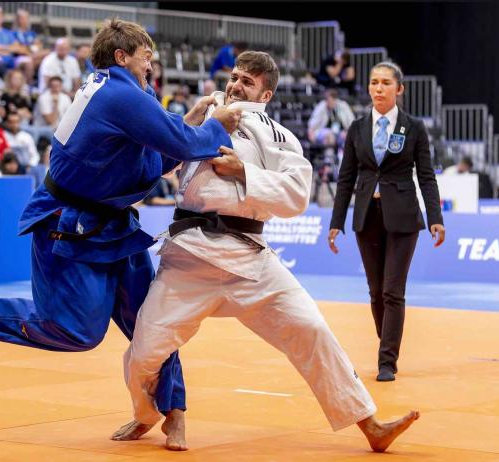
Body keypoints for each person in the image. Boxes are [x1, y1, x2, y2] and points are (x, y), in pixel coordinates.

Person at [120, 50, 419, 453]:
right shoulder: (202, 120)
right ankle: (146, 413)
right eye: (235, 77)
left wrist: (244, 172)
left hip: (250, 257)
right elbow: (158, 166)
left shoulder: (279, 135)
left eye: (247, 81)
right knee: (145, 350)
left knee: (312, 330)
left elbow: (297, 194)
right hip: (189, 254)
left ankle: (371, 425)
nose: (236, 85)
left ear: (265, 95)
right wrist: (189, 124)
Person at [0, 19, 240, 451]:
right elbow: (180, 146)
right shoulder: (116, 94)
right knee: (80, 332)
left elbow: (149, 164)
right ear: (121, 57)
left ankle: (174, 413)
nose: (152, 63)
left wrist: (184, 128)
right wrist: (215, 126)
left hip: (112, 221)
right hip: (67, 224)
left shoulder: (125, 92)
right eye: (146, 55)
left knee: (155, 324)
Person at [328, 61, 445, 382]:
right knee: (376, 292)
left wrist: (435, 217)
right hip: (367, 216)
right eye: (374, 83)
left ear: (399, 89)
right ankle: (388, 341)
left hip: (404, 216)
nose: (378, 88)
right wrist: (336, 222)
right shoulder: (357, 128)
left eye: (385, 83)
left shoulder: (414, 127)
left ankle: (387, 361)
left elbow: (426, 175)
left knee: (393, 290)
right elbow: (346, 178)